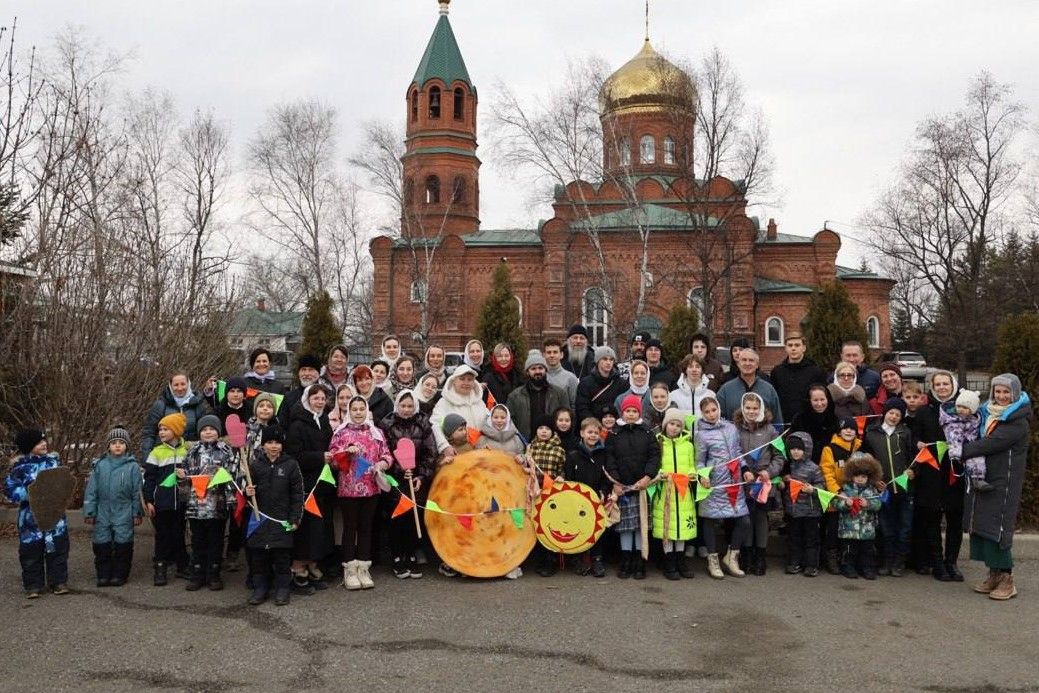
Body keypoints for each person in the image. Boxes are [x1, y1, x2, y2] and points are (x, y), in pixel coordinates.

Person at [958, 374, 1032, 601]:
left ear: (1015, 394)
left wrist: (959, 449)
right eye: (997, 391)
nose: (1001, 396)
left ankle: (1007, 579)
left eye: (1006, 392)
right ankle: (994, 574)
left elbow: (992, 443)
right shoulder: (987, 413)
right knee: (982, 525)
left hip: (1004, 481)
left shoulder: (1017, 420)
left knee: (998, 527)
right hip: (985, 478)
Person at [329, 396, 392, 590]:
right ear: (349, 410)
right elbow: (332, 459)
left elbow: (387, 455)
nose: (358, 412)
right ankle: (349, 568)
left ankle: (364, 567)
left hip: (371, 488)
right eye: (354, 409)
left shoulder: (377, 432)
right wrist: (346, 452)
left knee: (366, 528)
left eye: (361, 409)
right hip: (348, 489)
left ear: (366, 411)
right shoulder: (341, 432)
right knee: (350, 528)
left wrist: (381, 464)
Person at [5, 429, 70, 598]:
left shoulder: (53, 463)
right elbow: (10, 490)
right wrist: (30, 494)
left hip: (55, 517)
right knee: (30, 554)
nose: (44, 444)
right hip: (30, 521)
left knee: (58, 551)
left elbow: (63, 483)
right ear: (28, 446)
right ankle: (33, 584)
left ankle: (58, 581)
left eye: (44, 440)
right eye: (38, 442)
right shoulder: (20, 468)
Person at [380, 390, 437, 579]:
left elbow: (430, 452)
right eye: (403, 406)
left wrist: (421, 475)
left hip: (416, 480)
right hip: (396, 480)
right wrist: (398, 469)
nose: (406, 409)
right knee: (397, 519)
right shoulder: (387, 424)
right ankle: (397, 556)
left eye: (410, 406)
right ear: (397, 405)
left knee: (414, 519)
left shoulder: (423, 424)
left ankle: (412, 554)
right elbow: (384, 451)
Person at [245, 425, 304, 606]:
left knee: (282, 557)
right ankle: (260, 588)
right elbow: (245, 492)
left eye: (277, 442)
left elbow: (297, 494)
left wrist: (295, 518)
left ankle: (282, 588)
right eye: (269, 442)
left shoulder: (291, 465)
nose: (273, 446)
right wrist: (246, 491)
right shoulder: (254, 466)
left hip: (281, 519)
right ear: (263, 445)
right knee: (259, 558)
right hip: (259, 519)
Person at [694, 395, 752, 579]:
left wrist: (745, 469)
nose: (711, 414)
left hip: (734, 482)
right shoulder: (701, 435)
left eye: (714, 410)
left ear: (719, 409)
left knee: (744, 521)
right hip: (714, 484)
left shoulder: (731, 428)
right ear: (702, 414)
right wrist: (702, 476)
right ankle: (712, 560)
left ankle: (731, 556)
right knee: (710, 521)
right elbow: (699, 462)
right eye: (707, 412)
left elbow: (737, 453)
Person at [284, 385, 335, 593]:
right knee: (304, 529)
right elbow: (294, 455)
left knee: (318, 528)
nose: (320, 402)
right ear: (307, 400)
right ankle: (298, 567)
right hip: (305, 484)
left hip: (322, 483)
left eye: (323, 398)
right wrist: (319, 457)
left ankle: (312, 563)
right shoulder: (297, 424)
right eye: (316, 398)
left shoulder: (324, 422)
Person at [605, 395, 661, 580]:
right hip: (623, 487)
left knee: (640, 526)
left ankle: (639, 561)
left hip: (642, 487)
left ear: (639, 413)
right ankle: (626, 559)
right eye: (628, 411)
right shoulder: (614, 434)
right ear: (623, 412)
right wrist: (616, 481)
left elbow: (654, 456)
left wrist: (648, 476)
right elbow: (610, 458)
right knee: (625, 527)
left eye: (634, 411)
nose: (630, 414)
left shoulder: (647, 433)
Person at [181, 415, 236, 591]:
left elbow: (233, 477)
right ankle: (197, 573)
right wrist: (182, 478)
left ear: (218, 432)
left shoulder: (226, 451)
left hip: (217, 506)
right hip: (195, 506)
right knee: (198, 541)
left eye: (212, 429)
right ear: (199, 432)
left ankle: (214, 573)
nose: (208, 432)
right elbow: (184, 479)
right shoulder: (192, 452)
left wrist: (225, 482)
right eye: (204, 430)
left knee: (216, 541)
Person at [83, 427, 144, 587]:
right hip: (103, 510)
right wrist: (90, 511)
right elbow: (91, 490)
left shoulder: (132, 467)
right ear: (108, 446)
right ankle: (103, 574)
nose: (117, 446)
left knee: (123, 542)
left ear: (127, 446)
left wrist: (137, 513)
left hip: (124, 510)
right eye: (114, 443)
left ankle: (120, 574)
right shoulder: (100, 465)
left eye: (121, 443)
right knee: (101, 542)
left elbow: (137, 493)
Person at [861, 397, 914, 576]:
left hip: (904, 489)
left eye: (898, 414)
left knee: (904, 528)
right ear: (885, 413)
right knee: (886, 528)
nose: (894, 417)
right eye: (891, 413)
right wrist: (874, 480)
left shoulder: (906, 433)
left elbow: (914, 458)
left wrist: (913, 471)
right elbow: (866, 461)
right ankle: (886, 560)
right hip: (883, 490)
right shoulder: (871, 433)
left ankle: (900, 562)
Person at [734, 392, 784, 575]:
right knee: (746, 518)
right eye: (748, 408)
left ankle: (760, 556)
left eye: (755, 408)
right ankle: (746, 555)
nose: (751, 411)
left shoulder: (771, 430)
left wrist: (769, 472)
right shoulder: (735, 429)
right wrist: (744, 470)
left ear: (761, 408)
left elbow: (779, 456)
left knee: (761, 517)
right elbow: (733, 454)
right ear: (742, 408)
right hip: (744, 480)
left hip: (764, 481)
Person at [902, 380, 946, 577]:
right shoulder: (900, 416)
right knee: (913, 517)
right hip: (909, 469)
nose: (912, 401)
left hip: (928, 468)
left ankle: (927, 558)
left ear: (922, 397)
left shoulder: (926, 413)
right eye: (908, 398)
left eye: (915, 397)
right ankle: (913, 557)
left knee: (926, 515)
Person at [142, 413, 190, 586]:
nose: (161, 432)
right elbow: (149, 479)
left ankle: (182, 565)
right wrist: (149, 500)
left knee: (179, 533)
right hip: (162, 502)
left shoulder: (187, 451)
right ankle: (160, 567)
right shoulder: (156, 452)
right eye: (160, 429)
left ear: (176, 431)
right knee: (162, 536)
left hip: (182, 501)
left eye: (165, 429)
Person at [564, 418, 612, 578]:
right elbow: (569, 479)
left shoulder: (603, 454)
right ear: (582, 433)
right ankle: (579, 559)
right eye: (589, 432)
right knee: (579, 529)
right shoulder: (573, 455)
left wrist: (603, 491)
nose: (592, 436)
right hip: (577, 501)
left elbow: (607, 477)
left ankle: (597, 559)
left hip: (596, 498)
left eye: (596, 433)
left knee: (597, 529)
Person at [653, 409, 697, 580]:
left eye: (678, 425)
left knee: (682, 529)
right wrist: (661, 473)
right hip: (666, 492)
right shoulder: (658, 443)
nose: (675, 428)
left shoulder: (688, 445)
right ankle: (669, 562)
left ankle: (680, 560)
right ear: (665, 425)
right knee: (668, 527)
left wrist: (692, 473)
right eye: (672, 424)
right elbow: (654, 465)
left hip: (683, 492)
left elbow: (691, 464)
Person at [528, 415, 569, 577]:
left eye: (547, 429)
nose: (544, 432)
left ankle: (551, 560)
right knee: (536, 525)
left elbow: (563, 468)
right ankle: (540, 560)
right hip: (535, 492)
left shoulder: (559, 449)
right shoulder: (530, 448)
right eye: (541, 428)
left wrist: (562, 476)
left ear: (552, 431)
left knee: (549, 526)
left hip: (552, 493)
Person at [819, 418, 862, 574]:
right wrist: (837, 492)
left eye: (852, 429)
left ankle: (847, 559)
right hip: (836, 496)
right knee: (833, 529)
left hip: (854, 496)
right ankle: (831, 557)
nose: (849, 431)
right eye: (845, 429)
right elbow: (827, 473)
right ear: (839, 431)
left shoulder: (860, 449)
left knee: (849, 530)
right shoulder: (829, 449)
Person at [782, 432, 825, 577]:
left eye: (799, 449)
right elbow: (781, 483)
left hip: (810, 511)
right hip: (793, 511)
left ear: (806, 449)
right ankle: (794, 562)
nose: (795, 451)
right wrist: (783, 482)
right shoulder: (788, 467)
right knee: (794, 538)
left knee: (811, 539)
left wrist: (813, 490)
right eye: (792, 449)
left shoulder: (814, 468)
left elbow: (822, 486)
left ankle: (811, 565)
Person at [836, 453, 883, 580]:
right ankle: (848, 567)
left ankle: (867, 569)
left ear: (869, 477)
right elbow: (836, 504)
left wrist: (868, 504)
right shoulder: (845, 489)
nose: (860, 479)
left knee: (867, 552)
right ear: (851, 476)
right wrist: (846, 503)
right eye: (857, 476)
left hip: (867, 529)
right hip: (849, 529)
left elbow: (878, 504)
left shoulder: (872, 491)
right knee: (849, 550)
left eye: (863, 476)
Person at [141, 372, 209, 458]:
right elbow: (149, 433)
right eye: (176, 385)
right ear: (170, 386)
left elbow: (203, 432)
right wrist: (147, 457)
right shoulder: (160, 405)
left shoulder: (198, 404)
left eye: (183, 384)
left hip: (190, 456)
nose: (180, 388)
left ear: (188, 384)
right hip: (163, 456)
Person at [507, 350, 570, 441]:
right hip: (525, 442)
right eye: (533, 369)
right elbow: (510, 423)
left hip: (553, 444)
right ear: (527, 372)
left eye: (540, 368)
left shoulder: (559, 393)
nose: (537, 371)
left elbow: (567, 418)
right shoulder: (515, 396)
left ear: (546, 370)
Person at [430, 365, 488, 457]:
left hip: (480, 452)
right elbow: (435, 425)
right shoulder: (444, 402)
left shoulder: (479, 401)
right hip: (457, 454)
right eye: (462, 379)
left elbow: (488, 422)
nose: (466, 382)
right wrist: (444, 447)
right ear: (454, 381)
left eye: (469, 379)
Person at [768, 333, 826, 423]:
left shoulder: (816, 371)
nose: (793, 348)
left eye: (797, 345)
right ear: (785, 348)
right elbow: (773, 398)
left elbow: (822, 398)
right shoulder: (777, 372)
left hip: (809, 422)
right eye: (790, 345)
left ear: (804, 348)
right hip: (783, 422)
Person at [716, 349, 783, 423]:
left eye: (751, 360)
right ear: (738, 364)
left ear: (757, 365)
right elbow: (718, 421)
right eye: (744, 360)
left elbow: (777, 422)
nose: (747, 363)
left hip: (763, 434)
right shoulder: (726, 390)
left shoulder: (769, 390)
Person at [942, 390, 987, 492]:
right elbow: (954, 437)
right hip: (959, 447)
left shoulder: (975, 419)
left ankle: (978, 479)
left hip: (971, 443)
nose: (961, 410)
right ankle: (975, 480)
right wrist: (956, 452)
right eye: (959, 407)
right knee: (973, 458)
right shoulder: (953, 420)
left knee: (979, 459)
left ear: (972, 410)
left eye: (965, 408)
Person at [790, 384, 839, 464]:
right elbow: (792, 444)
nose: (819, 404)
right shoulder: (800, 419)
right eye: (815, 400)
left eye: (822, 399)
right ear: (809, 401)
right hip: (804, 465)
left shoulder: (834, 419)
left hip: (829, 464)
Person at [575, 347, 627, 422]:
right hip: (594, 428)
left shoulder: (622, 383)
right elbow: (582, 408)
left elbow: (624, 407)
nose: (608, 362)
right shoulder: (586, 383)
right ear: (597, 361)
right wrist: (594, 424)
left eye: (611, 359)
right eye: (605, 359)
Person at [279, 354, 322, 428]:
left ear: (318, 373)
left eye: (311, 370)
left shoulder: (326, 396)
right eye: (303, 370)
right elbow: (283, 424)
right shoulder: (289, 397)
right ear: (299, 373)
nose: (306, 374)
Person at [543, 338, 579, 407]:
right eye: (549, 352)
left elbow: (574, 405)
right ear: (544, 355)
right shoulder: (540, 377)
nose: (552, 355)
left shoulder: (570, 378)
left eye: (555, 352)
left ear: (561, 355)